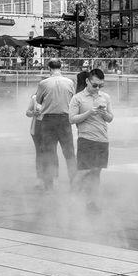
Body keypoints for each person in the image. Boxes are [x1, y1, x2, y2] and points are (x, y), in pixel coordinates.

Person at [68, 67, 113, 212]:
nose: (97, 88)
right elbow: (72, 119)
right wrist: (89, 112)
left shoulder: (105, 97)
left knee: (96, 172)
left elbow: (110, 118)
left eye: (101, 85)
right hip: (86, 140)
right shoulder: (78, 98)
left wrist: (104, 113)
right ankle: (72, 202)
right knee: (83, 172)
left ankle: (91, 202)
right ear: (87, 81)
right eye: (95, 85)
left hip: (102, 140)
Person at [28, 59, 76, 191]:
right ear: (61, 67)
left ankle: (49, 185)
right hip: (65, 119)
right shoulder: (70, 82)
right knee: (70, 153)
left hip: (48, 120)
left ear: (49, 68)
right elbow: (73, 99)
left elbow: (38, 100)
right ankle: (75, 181)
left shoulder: (44, 83)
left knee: (48, 152)